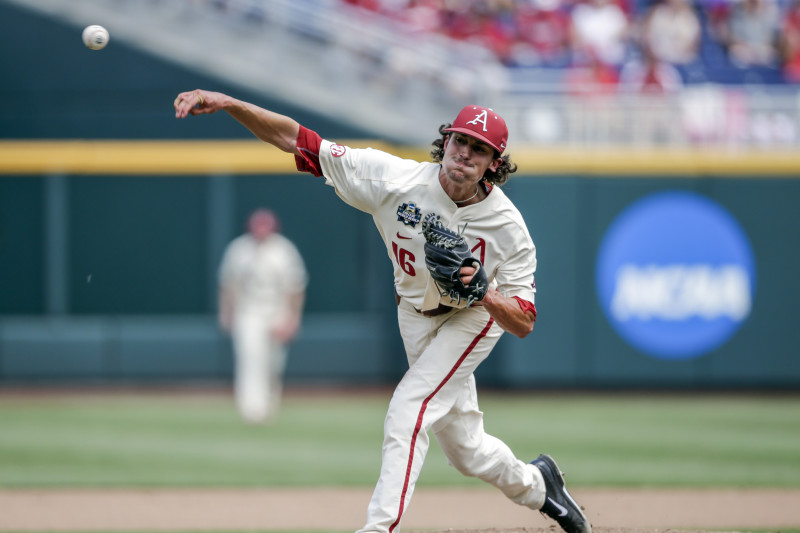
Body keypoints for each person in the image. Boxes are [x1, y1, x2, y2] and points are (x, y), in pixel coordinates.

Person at [174, 89, 592, 533]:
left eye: (480, 148)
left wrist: (485, 293)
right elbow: (298, 141)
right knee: (465, 451)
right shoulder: (392, 178)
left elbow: (524, 320)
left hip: (471, 318)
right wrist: (230, 104)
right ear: (445, 141)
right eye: (460, 141)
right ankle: (539, 486)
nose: (466, 153)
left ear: (495, 162)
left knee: (407, 410)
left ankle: (378, 529)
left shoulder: (508, 228)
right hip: (413, 313)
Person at [217, 208, 307, 424]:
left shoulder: (284, 250)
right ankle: (251, 408)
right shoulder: (238, 249)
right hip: (248, 312)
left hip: (276, 310)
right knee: (250, 357)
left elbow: (296, 287)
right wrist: (226, 313)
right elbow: (227, 284)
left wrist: (293, 318)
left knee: (274, 362)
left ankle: (269, 404)